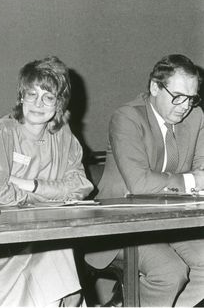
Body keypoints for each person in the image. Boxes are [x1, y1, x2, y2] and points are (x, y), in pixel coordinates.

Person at [0, 56, 94, 307]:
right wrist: (51, 196)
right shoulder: (2, 131)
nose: (38, 103)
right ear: (21, 97)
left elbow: (81, 186)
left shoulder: (63, 134)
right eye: (31, 94)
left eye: (48, 97)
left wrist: (31, 185)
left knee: (54, 248)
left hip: (41, 235)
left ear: (59, 103)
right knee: (54, 252)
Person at [85, 54, 204, 307]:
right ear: (154, 87)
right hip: (121, 227)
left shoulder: (195, 117)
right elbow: (139, 184)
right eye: (178, 96)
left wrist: (196, 179)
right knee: (170, 273)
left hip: (170, 223)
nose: (185, 106)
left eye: (192, 98)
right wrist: (192, 180)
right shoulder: (127, 118)